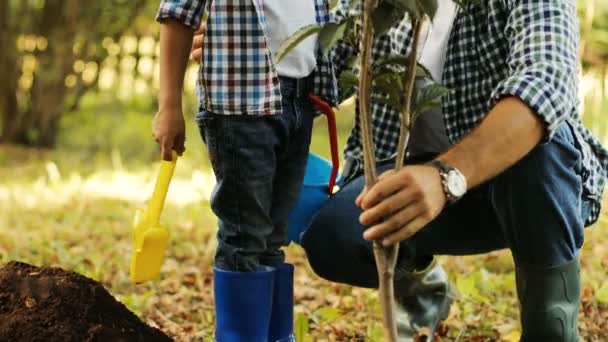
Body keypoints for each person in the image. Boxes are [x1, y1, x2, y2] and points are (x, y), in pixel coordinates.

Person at [191, 0, 608, 340]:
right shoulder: (378, 6)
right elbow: (318, 62)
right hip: (414, 179)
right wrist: (254, 51)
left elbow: (546, 81)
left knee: (540, 148)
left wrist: (445, 176)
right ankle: (421, 285)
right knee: (335, 238)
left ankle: (550, 325)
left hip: (517, 184)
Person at [154, 0, 339, 341]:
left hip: (300, 101)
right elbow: (178, 15)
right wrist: (169, 105)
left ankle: (274, 336)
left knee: (273, 234)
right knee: (245, 234)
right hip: (239, 104)